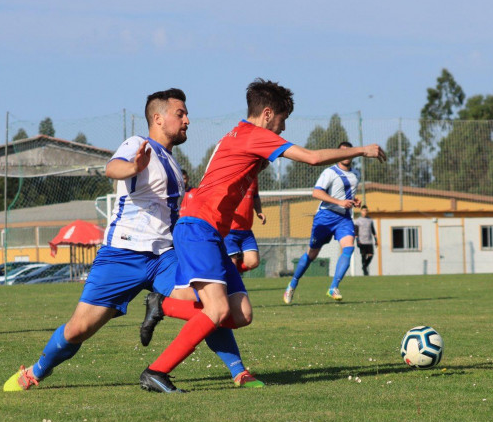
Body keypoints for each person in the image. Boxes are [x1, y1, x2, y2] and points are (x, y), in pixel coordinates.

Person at [139, 79, 385, 392]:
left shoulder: (241, 134)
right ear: (268, 115)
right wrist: (361, 150)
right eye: (282, 122)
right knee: (217, 310)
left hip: (211, 231)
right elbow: (309, 157)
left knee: (240, 313)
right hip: (199, 227)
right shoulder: (255, 135)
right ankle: (156, 372)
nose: (282, 130)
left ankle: (164, 304)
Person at [5, 88, 254, 392]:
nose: (187, 120)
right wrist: (134, 167)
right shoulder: (138, 144)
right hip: (122, 255)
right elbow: (113, 168)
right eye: (181, 113)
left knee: (207, 303)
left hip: (164, 256)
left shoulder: (174, 165)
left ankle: (239, 371)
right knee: (79, 328)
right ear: (158, 118)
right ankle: (35, 372)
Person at [284, 141, 361, 303]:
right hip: (325, 217)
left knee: (348, 248)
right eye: (342, 152)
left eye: (349, 152)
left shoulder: (356, 174)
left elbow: (345, 194)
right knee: (312, 254)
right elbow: (316, 193)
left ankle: (333, 287)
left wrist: (354, 200)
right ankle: (292, 284)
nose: (346, 155)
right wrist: (339, 202)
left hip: (344, 218)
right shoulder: (330, 172)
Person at [225, 177, 266, 273]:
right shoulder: (232, 176)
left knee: (253, 262)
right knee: (232, 263)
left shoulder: (254, 178)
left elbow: (255, 196)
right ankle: (231, 278)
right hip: (229, 231)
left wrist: (259, 211)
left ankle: (233, 273)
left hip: (246, 231)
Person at [354, 205, 378, 276]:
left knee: (371, 255)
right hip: (362, 241)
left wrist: (376, 240)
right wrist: (357, 240)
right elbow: (356, 231)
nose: (365, 212)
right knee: (363, 255)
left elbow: (373, 231)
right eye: (364, 210)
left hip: (369, 241)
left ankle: (364, 266)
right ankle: (365, 271)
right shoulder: (358, 221)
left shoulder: (370, 220)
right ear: (361, 211)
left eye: (366, 210)